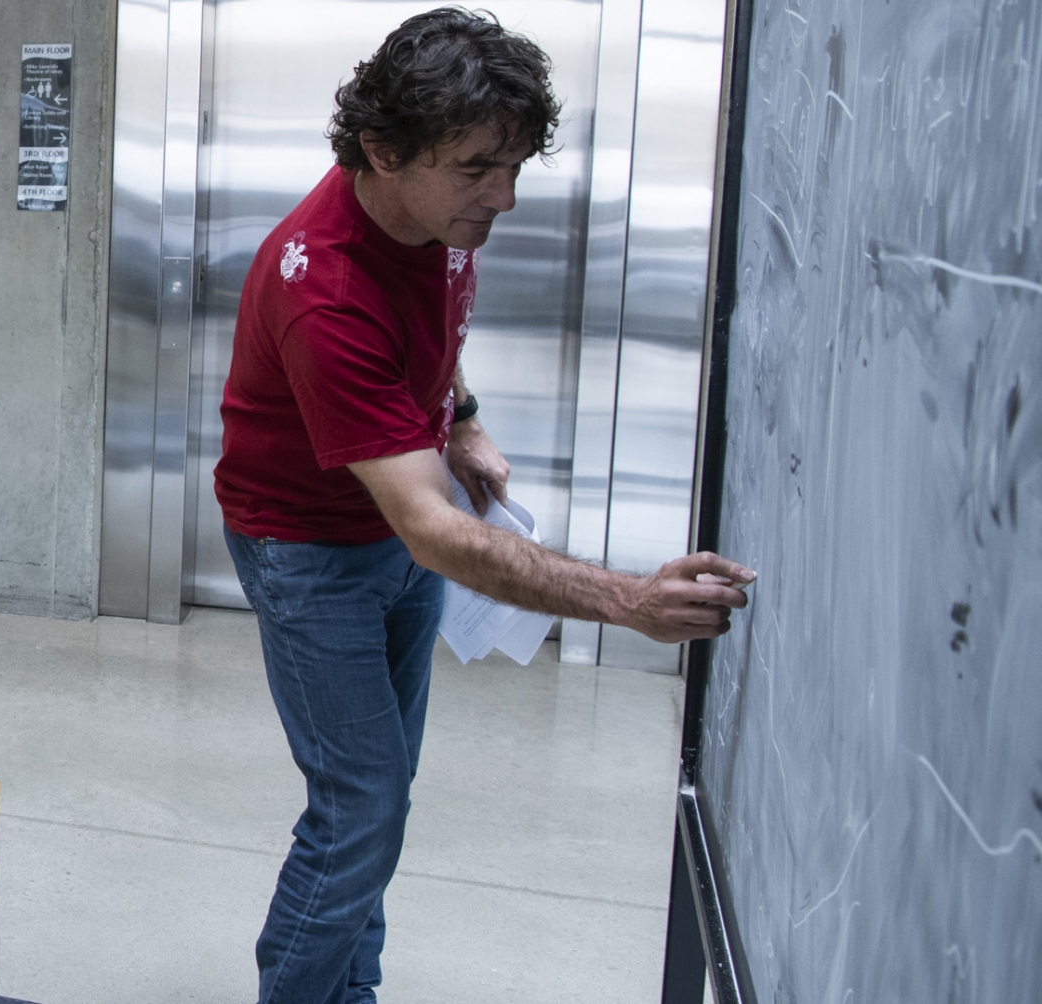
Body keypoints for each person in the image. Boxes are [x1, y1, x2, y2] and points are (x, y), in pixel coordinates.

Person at [212, 10, 755, 1002]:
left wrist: (457, 416)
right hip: (307, 546)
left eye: (514, 167)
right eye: (476, 169)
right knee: (359, 802)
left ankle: (348, 991)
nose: (502, 198)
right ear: (383, 150)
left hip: (386, 530)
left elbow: (434, 324)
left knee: (376, 798)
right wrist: (629, 600)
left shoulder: (435, 211)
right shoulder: (322, 286)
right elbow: (432, 525)